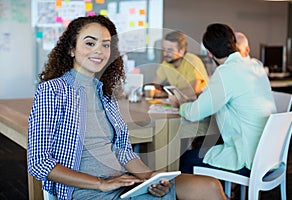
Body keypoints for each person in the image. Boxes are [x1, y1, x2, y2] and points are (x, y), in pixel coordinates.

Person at [27, 15, 227, 200]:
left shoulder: (104, 93)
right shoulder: (52, 91)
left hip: (123, 181)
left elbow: (121, 150)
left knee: (209, 186)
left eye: (106, 45)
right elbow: (39, 162)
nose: (99, 50)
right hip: (88, 191)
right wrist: (101, 184)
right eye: (90, 43)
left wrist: (150, 178)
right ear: (71, 49)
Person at [173, 23, 277, 175]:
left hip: (248, 158)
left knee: (186, 160)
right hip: (270, 156)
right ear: (234, 42)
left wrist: (180, 105)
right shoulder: (255, 65)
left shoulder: (226, 72)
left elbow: (194, 113)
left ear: (209, 53)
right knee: (208, 148)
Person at [152, 31, 209, 98]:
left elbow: (193, 91)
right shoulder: (166, 63)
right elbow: (154, 86)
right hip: (181, 103)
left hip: (199, 103)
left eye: (170, 50)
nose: (165, 54)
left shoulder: (192, 61)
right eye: (164, 49)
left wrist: (167, 94)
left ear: (181, 50)